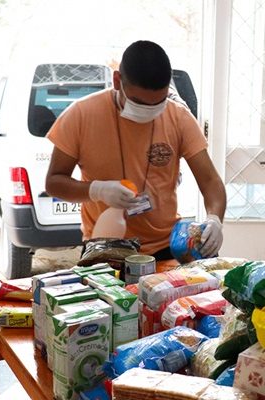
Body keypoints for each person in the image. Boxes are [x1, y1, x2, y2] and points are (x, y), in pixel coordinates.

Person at [45, 40, 227, 260]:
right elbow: (54, 182)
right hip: (104, 248)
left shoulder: (178, 117)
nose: (149, 111)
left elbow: (211, 182)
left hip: (165, 247)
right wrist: (97, 190)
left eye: (158, 103)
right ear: (117, 81)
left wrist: (214, 219)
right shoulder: (81, 114)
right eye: (138, 102)